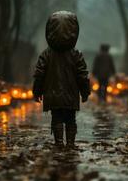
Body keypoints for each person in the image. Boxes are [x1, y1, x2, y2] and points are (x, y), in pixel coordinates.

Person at [33, 11, 91, 148]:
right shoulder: (76, 54)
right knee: (71, 119)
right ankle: (70, 143)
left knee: (57, 118)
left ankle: (59, 142)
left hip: (53, 95)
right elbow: (82, 75)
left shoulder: (46, 54)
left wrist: (37, 92)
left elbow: (39, 74)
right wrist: (85, 92)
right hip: (71, 95)